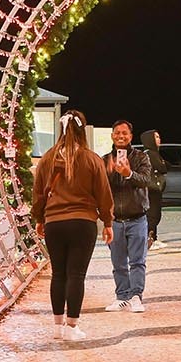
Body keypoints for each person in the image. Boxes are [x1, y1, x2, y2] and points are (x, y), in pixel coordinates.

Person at [31, 110, 113, 339]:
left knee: (58, 274)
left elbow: (38, 193)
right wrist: (108, 222)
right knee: (76, 274)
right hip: (82, 223)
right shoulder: (91, 159)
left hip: (54, 223)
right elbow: (104, 193)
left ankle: (57, 327)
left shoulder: (47, 158)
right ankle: (72, 327)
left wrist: (40, 219)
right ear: (82, 130)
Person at [104, 120, 155, 312]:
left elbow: (146, 180)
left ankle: (136, 297)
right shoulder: (105, 160)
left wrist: (128, 173)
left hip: (137, 218)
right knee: (118, 263)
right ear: (112, 135)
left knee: (137, 261)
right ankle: (121, 296)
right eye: (117, 132)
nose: (121, 136)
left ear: (131, 136)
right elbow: (101, 188)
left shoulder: (141, 157)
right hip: (115, 220)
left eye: (124, 133)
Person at [140, 128, 167, 246]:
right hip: (152, 188)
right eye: (156, 137)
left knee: (153, 213)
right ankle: (149, 239)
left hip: (151, 188)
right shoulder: (151, 154)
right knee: (153, 214)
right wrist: (163, 164)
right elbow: (162, 167)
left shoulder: (150, 153)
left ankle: (153, 238)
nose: (159, 139)